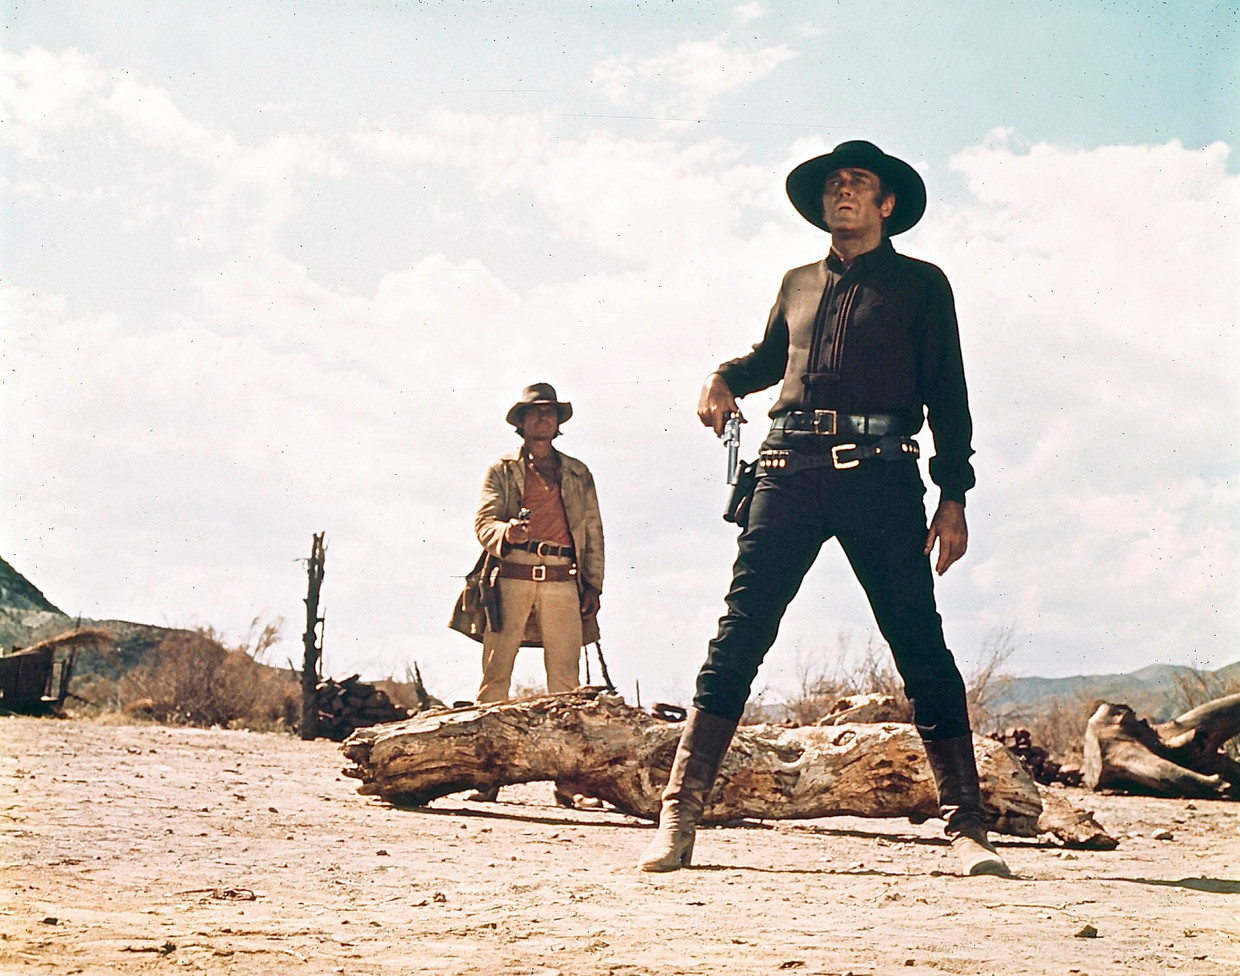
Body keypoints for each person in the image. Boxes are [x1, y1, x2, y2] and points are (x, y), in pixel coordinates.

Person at [638, 140, 1009, 877]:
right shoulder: (797, 283)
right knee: (740, 633)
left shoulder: (921, 283)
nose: (842, 191)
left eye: (857, 182)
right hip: (787, 469)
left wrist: (954, 494)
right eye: (834, 182)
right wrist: (722, 377)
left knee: (917, 638)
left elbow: (949, 393)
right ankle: (678, 816)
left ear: (886, 203)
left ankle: (967, 826)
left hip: (882, 476)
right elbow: (769, 359)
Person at [469, 382, 605, 807]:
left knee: (566, 684)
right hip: (512, 574)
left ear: (558, 421)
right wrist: (507, 532)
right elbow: (484, 521)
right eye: (535, 412)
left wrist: (594, 584)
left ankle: (569, 783)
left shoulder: (578, 473)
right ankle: (485, 777)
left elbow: (593, 531)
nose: (543, 418)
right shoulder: (502, 470)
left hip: (563, 579)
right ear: (522, 422)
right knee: (496, 677)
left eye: (550, 412)